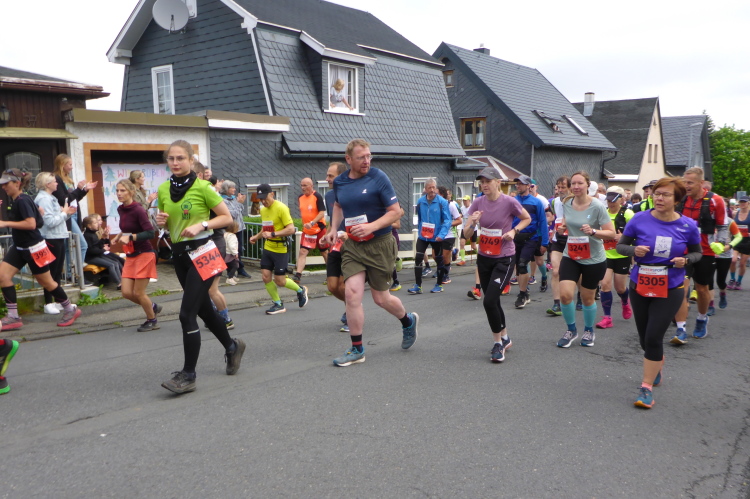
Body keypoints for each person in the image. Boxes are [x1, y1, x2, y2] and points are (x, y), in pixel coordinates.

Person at [155, 140, 245, 394]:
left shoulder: (203, 187)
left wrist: (202, 225)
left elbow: (226, 217)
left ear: (191, 160)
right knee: (204, 310)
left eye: (180, 158)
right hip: (180, 255)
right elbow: (166, 223)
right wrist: (160, 221)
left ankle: (188, 375)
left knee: (186, 314)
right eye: (171, 158)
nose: (175, 163)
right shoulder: (163, 189)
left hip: (205, 252)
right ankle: (232, 347)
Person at [321, 138, 418, 366]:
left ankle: (408, 321)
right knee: (352, 293)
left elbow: (395, 212)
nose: (366, 161)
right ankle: (357, 349)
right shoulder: (340, 182)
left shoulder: (378, 177)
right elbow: (338, 205)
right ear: (348, 159)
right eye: (361, 157)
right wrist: (334, 229)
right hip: (354, 245)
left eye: (368, 156)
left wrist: (371, 227)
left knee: (381, 298)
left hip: (379, 244)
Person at [616, 177, 702, 409]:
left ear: (677, 199)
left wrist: (686, 260)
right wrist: (634, 250)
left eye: (666, 194)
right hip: (640, 284)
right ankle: (656, 363)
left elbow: (697, 253)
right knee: (645, 339)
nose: (659, 198)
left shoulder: (687, 225)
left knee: (654, 336)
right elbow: (620, 246)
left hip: (671, 286)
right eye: (657, 193)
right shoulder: (639, 219)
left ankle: (646, 388)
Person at [0, 169, 81, 330]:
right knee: (3, 276)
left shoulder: (23, 200)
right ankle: (13, 316)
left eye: (6, 184)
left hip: (34, 248)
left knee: (47, 283)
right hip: (20, 247)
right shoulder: (21, 200)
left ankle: (69, 309)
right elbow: (39, 217)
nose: (3, 187)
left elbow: (31, 224)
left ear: (17, 183)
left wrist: (5, 223)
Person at [463, 167, 530, 362]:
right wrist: (473, 223)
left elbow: (527, 218)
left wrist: (514, 231)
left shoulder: (509, 202)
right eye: (482, 182)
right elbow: (466, 234)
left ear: (498, 182)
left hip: (504, 257)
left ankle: (497, 343)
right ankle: (505, 337)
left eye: (488, 181)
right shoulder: (478, 202)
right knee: (493, 301)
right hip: (484, 257)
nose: (484, 185)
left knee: (489, 301)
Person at [555, 171, 616, 348]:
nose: (576, 187)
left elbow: (611, 233)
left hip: (593, 258)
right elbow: (566, 222)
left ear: (587, 185)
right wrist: (562, 228)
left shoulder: (597, 206)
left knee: (587, 298)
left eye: (580, 183)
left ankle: (589, 330)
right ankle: (571, 330)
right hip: (571, 255)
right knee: (565, 295)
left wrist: (593, 231)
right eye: (573, 183)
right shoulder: (567, 202)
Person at [678, 166, 725, 339]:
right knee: (681, 288)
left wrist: (721, 243)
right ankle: (681, 328)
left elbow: (722, 225)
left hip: (706, 251)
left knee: (702, 289)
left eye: (690, 183)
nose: (686, 186)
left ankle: (701, 318)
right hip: (683, 251)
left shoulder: (716, 200)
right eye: (685, 182)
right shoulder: (681, 199)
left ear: (701, 183)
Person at [249, 184, 308, 314]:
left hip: (280, 248)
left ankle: (300, 290)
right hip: (268, 247)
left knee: (280, 281)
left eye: (265, 198)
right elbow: (266, 228)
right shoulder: (263, 210)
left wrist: (273, 234)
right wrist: (256, 237)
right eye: (261, 199)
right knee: (265, 276)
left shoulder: (281, 208)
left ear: (272, 194)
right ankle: (278, 303)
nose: (263, 201)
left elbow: (291, 229)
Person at [112, 179, 161, 331]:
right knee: (126, 292)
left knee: (138, 292)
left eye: (123, 190)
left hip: (144, 254)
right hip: (131, 254)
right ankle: (152, 306)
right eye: (117, 190)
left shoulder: (139, 210)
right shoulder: (121, 209)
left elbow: (150, 232)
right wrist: (118, 236)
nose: (119, 193)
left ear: (132, 192)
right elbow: (127, 227)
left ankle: (152, 320)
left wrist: (131, 237)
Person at [34, 172, 78, 315]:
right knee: (50, 273)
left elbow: (57, 218)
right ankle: (48, 303)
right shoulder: (44, 199)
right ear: (47, 184)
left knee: (57, 271)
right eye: (54, 181)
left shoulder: (51, 197)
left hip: (58, 236)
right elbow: (49, 221)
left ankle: (59, 301)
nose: (57, 184)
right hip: (50, 237)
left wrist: (67, 213)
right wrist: (64, 213)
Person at [51, 154, 96, 283]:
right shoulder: (56, 179)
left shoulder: (67, 179)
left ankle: (71, 274)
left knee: (69, 246)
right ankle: (76, 275)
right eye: (69, 164)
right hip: (66, 215)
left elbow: (73, 198)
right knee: (82, 244)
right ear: (62, 164)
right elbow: (64, 200)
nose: (71, 167)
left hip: (74, 213)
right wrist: (79, 189)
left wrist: (84, 190)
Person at [595, 186, 634, 329]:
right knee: (605, 285)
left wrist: (623, 238)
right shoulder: (603, 213)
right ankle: (607, 318)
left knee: (620, 288)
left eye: (614, 200)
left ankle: (625, 301)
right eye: (609, 200)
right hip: (605, 254)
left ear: (622, 200)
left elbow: (638, 233)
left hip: (621, 255)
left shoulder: (628, 214)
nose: (611, 203)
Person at [510, 175, 548, 309]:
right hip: (515, 237)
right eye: (517, 184)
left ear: (528, 186)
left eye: (521, 184)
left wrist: (545, 242)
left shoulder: (536, 202)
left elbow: (542, 221)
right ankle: (524, 291)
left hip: (531, 238)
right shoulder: (513, 201)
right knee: (518, 266)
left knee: (522, 264)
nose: (518, 186)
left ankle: (522, 294)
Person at [408, 178, 451, 294]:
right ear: (425, 189)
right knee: (418, 258)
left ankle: (439, 284)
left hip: (437, 236)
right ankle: (418, 286)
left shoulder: (442, 202)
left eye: (433, 187)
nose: (432, 190)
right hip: (423, 235)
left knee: (439, 259)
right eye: (429, 188)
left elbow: (447, 220)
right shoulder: (420, 201)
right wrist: (420, 230)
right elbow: (420, 217)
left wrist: (441, 234)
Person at [324, 162, 349, 332]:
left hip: (351, 245)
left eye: (330, 176)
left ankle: (352, 312)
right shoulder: (329, 196)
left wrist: (349, 234)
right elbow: (332, 221)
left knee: (343, 286)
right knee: (332, 287)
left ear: (340, 177)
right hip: (335, 245)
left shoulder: (351, 193)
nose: (327, 179)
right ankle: (353, 304)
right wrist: (326, 236)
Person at [294, 178, 329, 283]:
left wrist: (312, 223)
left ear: (311, 186)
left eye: (305, 185)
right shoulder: (300, 197)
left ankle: (331, 274)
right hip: (307, 231)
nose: (303, 188)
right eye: (301, 185)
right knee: (302, 251)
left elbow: (322, 213)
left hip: (319, 228)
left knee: (324, 252)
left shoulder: (317, 196)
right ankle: (298, 276)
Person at [546, 176, 570, 316]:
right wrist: (554, 232)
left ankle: (580, 297)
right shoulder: (555, 202)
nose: (560, 190)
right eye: (558, 187)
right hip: (558, 240)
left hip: (573, 240)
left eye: (563, 187)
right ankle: (557, 304)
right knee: (555, 271)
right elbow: (556, 218)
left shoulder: (576, 201)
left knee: (578, 273)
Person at [82, 215, 124, 290]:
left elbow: (98, 245)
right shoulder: (87, 235)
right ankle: (119, 283)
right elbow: (91, 250)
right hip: (91, 258)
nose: (98, 224)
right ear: (89, 226)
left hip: (98, 255)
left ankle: (122, 281)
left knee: (116, 262)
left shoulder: (93, 234)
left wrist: (104, 237)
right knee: (111, 265)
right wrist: (103, 249)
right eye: (95, 223)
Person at [219, 180, 250, 278]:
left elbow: (240, 211)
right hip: (230, 229)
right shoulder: (223, 201)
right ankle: (231, 271)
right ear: (227, 189)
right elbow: (232, 215)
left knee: (239, 250)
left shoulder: (233, 199)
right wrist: (239, 203)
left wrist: (239, 203)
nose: (234, 189)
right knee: (230, 250)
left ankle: (240, 269)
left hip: (239, 228)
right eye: (232, 187)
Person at [711, 219, 742, 312]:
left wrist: (729, 246)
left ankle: (723, 294)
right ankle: (710, 304)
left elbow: (738, 236)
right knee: (708, 281)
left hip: (725, 255)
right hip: (709, 254)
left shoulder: (729, 221)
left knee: (720, 281)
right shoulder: (708, 219)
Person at [528, 180, 551, 290]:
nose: (530, 188)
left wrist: (541, 222)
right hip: (526, 234)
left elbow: (551, 216)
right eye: (528, 186)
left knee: (539, 260)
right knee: (523, 260)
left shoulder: (542, 200)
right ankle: (525, 286)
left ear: (536, 187)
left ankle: (544, 277)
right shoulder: (522, 199)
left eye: (532, 186)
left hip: (539, 234)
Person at [437, 186, 462, 285]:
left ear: (442, 195)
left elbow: (459, 220)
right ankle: (453, 252)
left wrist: (448, 224)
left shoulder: (451, 205)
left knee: (444, 256)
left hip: (449, 234)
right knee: (435, 255)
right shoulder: (434, 205)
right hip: (438, 234)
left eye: (437, 194)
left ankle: (445, 275)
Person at [728, 196, 750, 290]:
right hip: (736, 240)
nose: (742, 204)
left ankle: (739, 282)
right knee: (733, 260)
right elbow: (731, 225)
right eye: (741, 202)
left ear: (748, 203)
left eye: (744, 202)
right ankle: (732, 279)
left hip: (747, 241)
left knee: (742, 263)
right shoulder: (735, 213)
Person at [457, 195, 476, 265]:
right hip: (464, 228)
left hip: (473, 228)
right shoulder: (462, 208)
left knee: (473, 246)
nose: (464, 202)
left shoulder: (472, 208)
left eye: (465, 200)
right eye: (463, 201)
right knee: (462, 243)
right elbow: (460, 214)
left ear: (469, 201)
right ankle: (463, 260)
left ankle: (480, 256)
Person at [224, 221, 240, 285]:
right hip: (230, 253)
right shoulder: (232, 236)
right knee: (235, 265)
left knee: (228, 265)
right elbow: (232, 246)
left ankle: (231, 276)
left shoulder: (225, 234)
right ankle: (230, 278)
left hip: (225, 252)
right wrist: (235, 253)